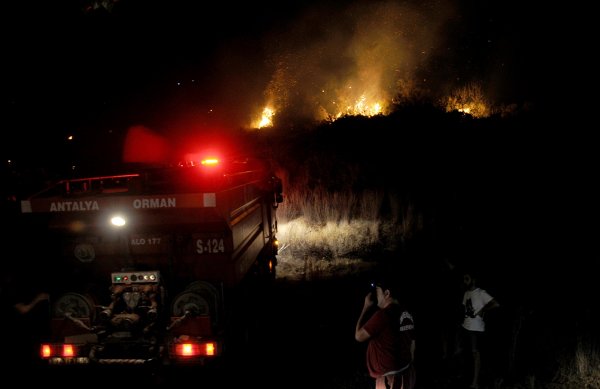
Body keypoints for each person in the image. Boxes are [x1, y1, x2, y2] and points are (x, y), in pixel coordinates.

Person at [355, 276, 416, 389]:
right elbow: (412, 343)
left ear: (387, 293)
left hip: (391, 380)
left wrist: (365, 308)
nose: (377, 296)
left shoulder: (383, 315)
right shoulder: (407, 313)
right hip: (407, 374)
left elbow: (358, 336)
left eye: (378, 292)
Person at [460, 270, 500, 389]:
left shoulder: (481, 293)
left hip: (476, 329)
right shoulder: (466, 293)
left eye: (467, 278)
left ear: (474, 280)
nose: (465, 281)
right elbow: (465, 309)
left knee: (476, 355)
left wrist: (483, 309)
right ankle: (467, 378)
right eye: (464, 279)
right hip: (465, 327)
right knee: (467, 355)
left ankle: (475, 383)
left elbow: (496, 304)